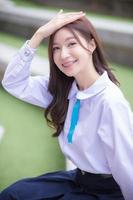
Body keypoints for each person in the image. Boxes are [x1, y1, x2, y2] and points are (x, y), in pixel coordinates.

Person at [0, 9, 133, 200]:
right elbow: (13, 82)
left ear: (91, 44)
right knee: (12, 195)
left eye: (71, 44)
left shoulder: (110, 102)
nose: (63, 55)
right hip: (77, 180)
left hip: (108, 191)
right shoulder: (63, 88)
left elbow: (126, 166)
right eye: (56, 48)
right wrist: (40, 35)